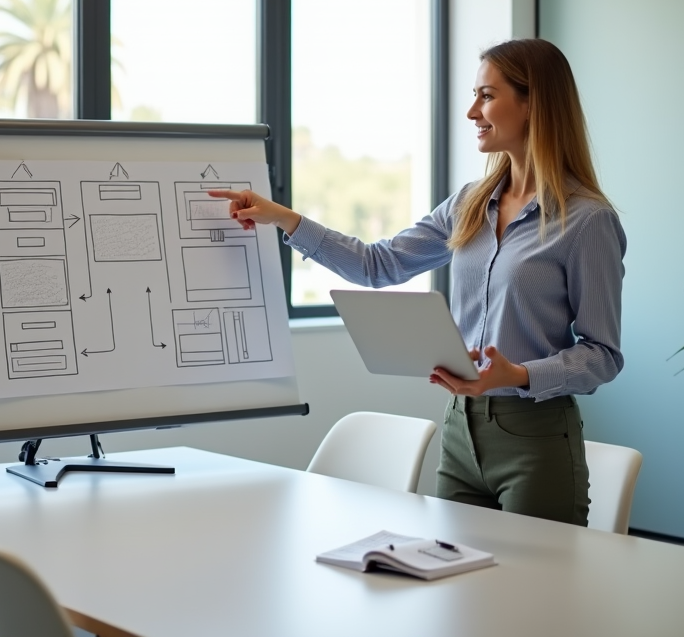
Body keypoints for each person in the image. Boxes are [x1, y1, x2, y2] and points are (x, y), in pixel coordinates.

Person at [209, 38, 625, 526]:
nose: (472, 111)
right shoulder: (468, 204)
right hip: (459, 432)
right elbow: (377, 264)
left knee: (531, 597)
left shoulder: (587, 221)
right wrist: (284, 219)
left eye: (487, 96)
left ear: (534, 102)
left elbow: (603, 355)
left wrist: (518, 375)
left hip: (536, 437)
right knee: (456, 589)